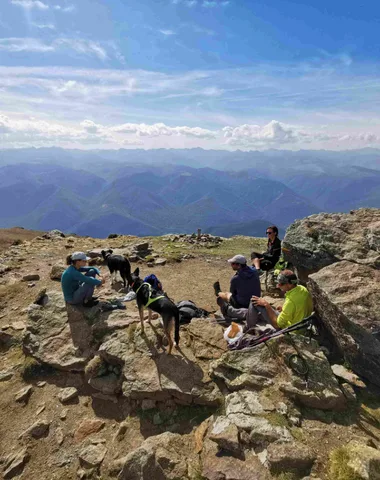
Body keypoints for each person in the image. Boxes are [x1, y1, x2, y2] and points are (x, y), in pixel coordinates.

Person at [249, 270, 313, 330]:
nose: (278, 286)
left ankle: (249, 328)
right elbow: (298, 307)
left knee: (254, 301)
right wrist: (284, 308)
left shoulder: (290, 302)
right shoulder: (302, 289)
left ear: (290, 284)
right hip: (301, 325)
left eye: (280, 284)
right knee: (267, 309)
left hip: (290, 329)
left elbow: (277, 325)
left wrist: (267, 305)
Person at [214, 254, 260, 322]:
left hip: (243, 304)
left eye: (233, 264)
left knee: (227, 294)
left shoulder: (235, 279)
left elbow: (233, 293)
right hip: (256, 301)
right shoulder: (254, 271)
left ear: (239, 265)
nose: (231, 265)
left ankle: (217, 292)